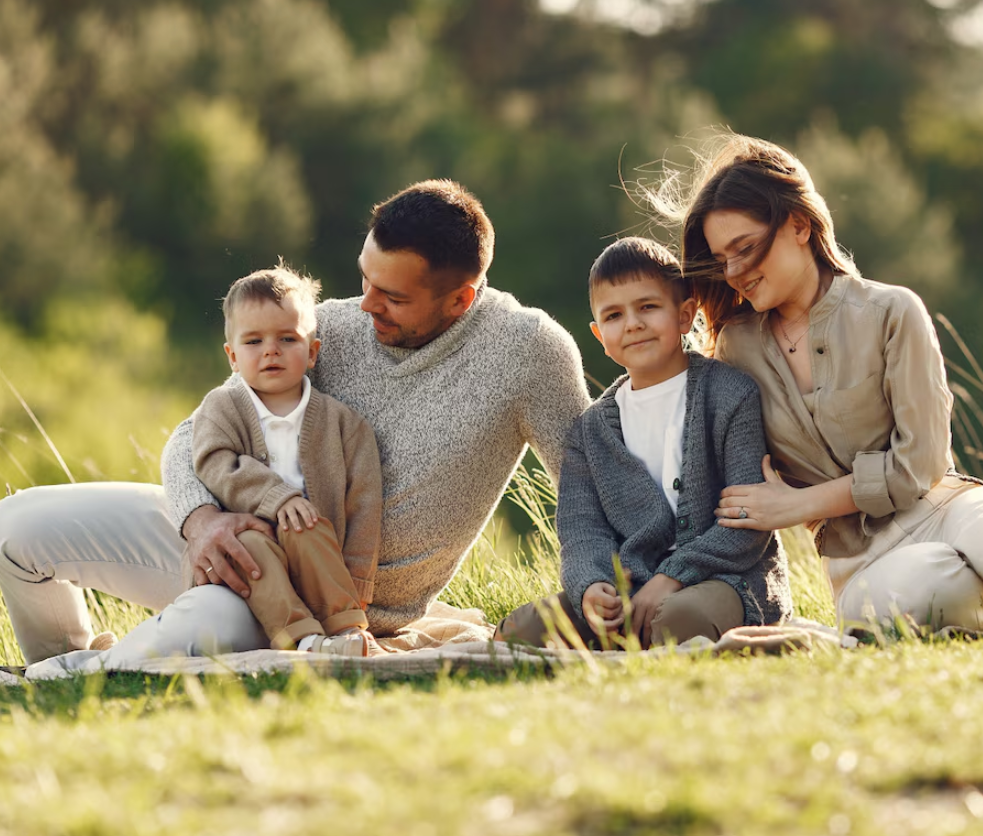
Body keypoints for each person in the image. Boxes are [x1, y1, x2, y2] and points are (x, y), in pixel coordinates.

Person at [0, 179, 591, 666]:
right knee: (13, 526)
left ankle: (58, 680)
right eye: (364, 278)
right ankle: (54, 665)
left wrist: (598, 590)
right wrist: (202, 521)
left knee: (204, 626)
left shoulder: (528, 352)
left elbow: (586, 489)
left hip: (317, 603)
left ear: (460, 300)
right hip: (220, 537)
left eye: (392, 297)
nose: (365, 305)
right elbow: (193, 436)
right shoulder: (325, 329)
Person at [659, 132, 983, 631]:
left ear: (799, 225)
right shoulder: (735, 350)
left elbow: (921, 462)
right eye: (723, 259)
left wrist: (797, 504)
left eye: (745, 248)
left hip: (944, 512)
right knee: (911, 596)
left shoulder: (890, 311)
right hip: (862, 561)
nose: (734, 271)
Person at [497, 237, 791, 648]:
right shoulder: (591, 430)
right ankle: (624, 635)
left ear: (685, 315)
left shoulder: (730, 395)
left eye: (648, 307)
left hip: (725, 579)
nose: (632, 323)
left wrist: (673, 578)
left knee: (678, 620)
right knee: (522, 630)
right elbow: (583, 531)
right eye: (614, 315)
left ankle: (654, 638)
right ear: (600, 334)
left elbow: (748, 521)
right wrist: (592, 587)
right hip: (630, 589)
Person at [189, 263, 381, 657]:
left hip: (314, 543)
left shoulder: (344, 424)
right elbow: (214, 461)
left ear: (312, 352)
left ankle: (347, 632)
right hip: (250, 543)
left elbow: (364, 503)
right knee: (251, 544)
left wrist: (358, 581)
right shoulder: (222, 407)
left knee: (307, 525)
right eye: (254, 341)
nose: (270, 350)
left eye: (287, 339)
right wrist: (278, 498)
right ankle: (301, 638)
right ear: (232, 356)